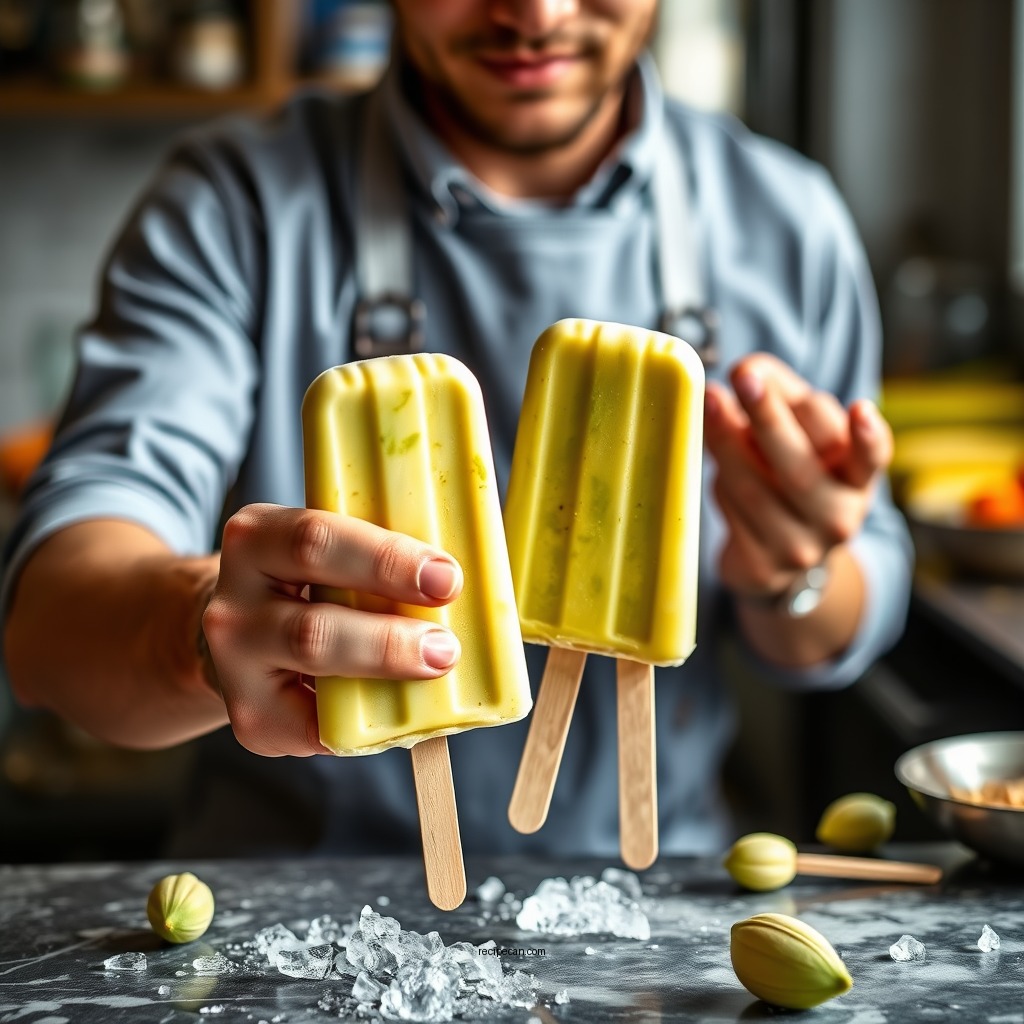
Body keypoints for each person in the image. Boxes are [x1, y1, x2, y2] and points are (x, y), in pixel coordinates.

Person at [1, 0, 912, 859]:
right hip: (290, 902)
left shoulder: (787, 220)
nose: (536, 15)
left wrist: (794, 571)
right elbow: (49, 618)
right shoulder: (234, 205)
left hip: (650, 903)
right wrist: (195, 630)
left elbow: (847, 612)